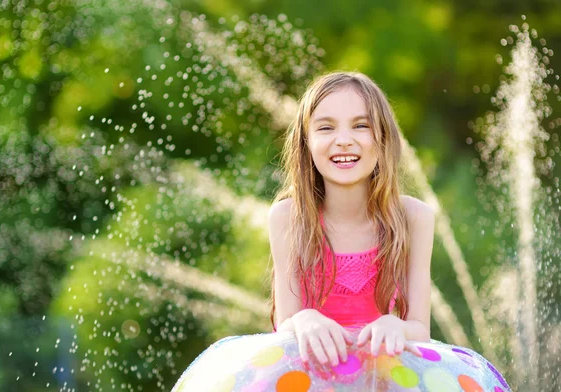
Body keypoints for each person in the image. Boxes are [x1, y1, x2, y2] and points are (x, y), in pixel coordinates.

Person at [171, 72, 511, 392]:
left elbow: (418, 328)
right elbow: (286, 321)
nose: (344, 141)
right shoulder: (289, 217)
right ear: (306, 143)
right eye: (326, 128)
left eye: (361, 125)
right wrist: (305, 319)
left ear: (383, 139)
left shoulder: (413, 217)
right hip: (308, 372)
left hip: (382, 373)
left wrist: (396, 326)